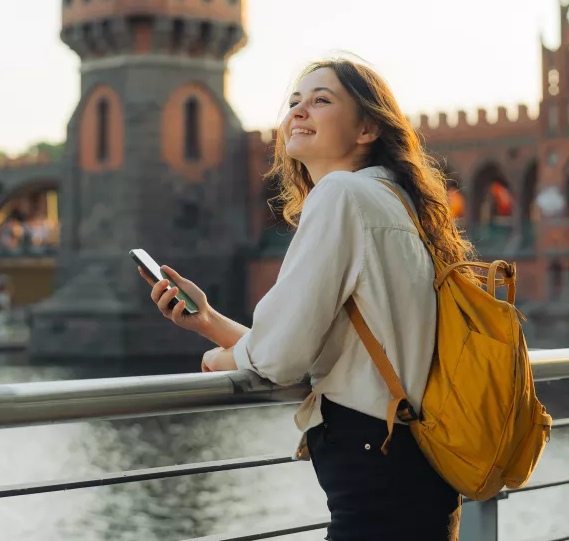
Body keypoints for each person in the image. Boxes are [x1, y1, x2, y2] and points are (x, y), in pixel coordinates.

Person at [142, 58, 466, 540]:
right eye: (294, 101)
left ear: (368, 127)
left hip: (374, 475)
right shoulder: (395, 200)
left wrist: (222, 355)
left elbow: (279, 359)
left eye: (321, 100)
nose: (298, 111)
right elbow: (322, 346)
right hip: (421, 463)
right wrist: (208, 319)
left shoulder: (340, 195)